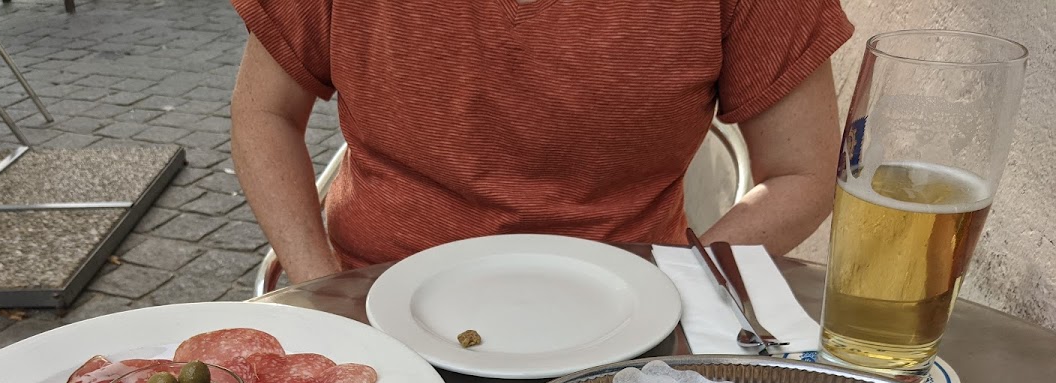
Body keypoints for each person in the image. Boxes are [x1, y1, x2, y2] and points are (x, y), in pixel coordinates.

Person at [230, 0, 854, 284]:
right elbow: (265, 114)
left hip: (634, 310)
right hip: (371, 289)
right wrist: (321, 287)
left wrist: (683, 284)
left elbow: (804, 172)